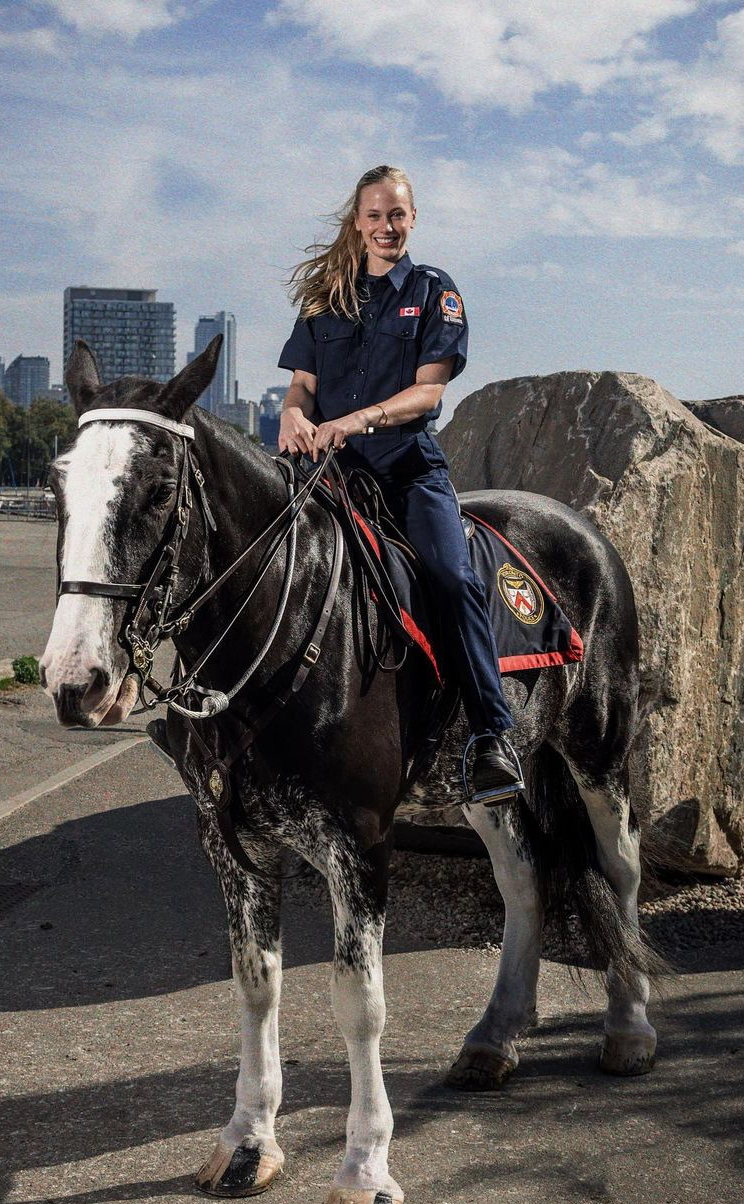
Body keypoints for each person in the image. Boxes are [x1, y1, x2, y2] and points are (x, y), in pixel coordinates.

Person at [277, 164, 523, 804]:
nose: (387, 227)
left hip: (406, 468)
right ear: (357, 223)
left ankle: (492, 734)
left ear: (412, 220)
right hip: (331, 474)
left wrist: (357, 419)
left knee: (450, 575)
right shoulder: (324, 300)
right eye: (375, 216)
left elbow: (429, 391)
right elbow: (301, 387)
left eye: (397, 215)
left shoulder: (435, 292)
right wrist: (291, 416)